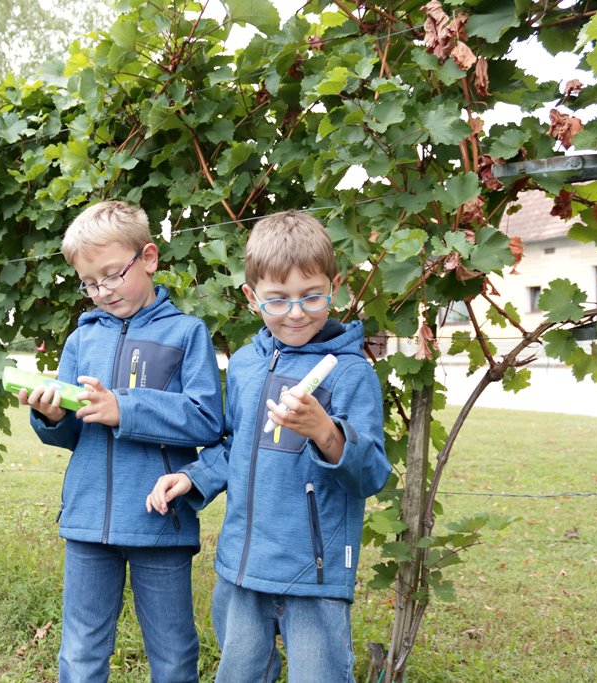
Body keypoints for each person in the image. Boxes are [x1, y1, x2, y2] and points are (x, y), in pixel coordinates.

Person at [146, 210, 391, 682]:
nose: (296, 313)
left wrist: (326, 432)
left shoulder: (351, 373)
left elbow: (372, 474)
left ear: (334, 288)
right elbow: (236, 445)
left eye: (310, 296)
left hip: (313, 574)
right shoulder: (243, 366)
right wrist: (192, 476)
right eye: (277, 300)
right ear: (252, 297)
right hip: (242, 568)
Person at [19, 200, 224, 683]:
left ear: (148, 258)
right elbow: (72, 432)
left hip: (159, 522)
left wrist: (124, 408)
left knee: (173, 653)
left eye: (112, 275)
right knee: (81, 650)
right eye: (89, 283)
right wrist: (49, 415)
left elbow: (206, 420)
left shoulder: (187, 334)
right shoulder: (81, 339)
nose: (102, 292)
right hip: (87, 521)